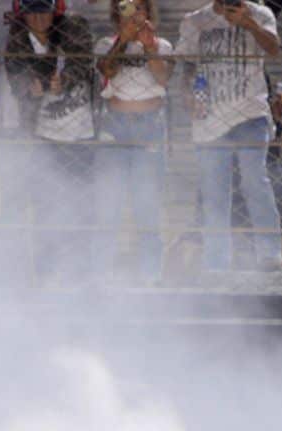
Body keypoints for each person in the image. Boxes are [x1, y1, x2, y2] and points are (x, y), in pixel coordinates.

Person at [177, 0, 282, 278]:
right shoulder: (195, 20)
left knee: (254, 180)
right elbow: (187, 66)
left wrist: (248, 24)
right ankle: (217, 264)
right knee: (214, 192)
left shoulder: (260, 13)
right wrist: (187, 94)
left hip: (250, 112)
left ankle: (270, 255)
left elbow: (274, 49)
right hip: (209, 117)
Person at [5, 0, 94, 284]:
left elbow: (82, 59)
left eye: (44, 11)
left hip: (79, 133)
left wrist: (63, 79)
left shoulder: (73, 25)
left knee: (81, 205)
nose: (39, 19)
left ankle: (80, 270)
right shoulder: (17, 38)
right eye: (33, 12)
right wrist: (32, 88)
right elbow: (16, 79)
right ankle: (47, 269)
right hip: (42, 135)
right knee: (44, 205)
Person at [94, 0, 173, 285]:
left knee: (147, 207)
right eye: (128, 8)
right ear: (117, 13)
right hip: (115, 125)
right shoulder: (107, 42)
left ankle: (151, 277)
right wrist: (123, 41)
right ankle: (102, 276)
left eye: (140, 7)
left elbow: (163, 78)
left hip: (149, 125)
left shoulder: (161, 44)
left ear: (149, 12)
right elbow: (107, 71)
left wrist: (148, 46)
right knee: (108, 206)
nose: (135, 14)